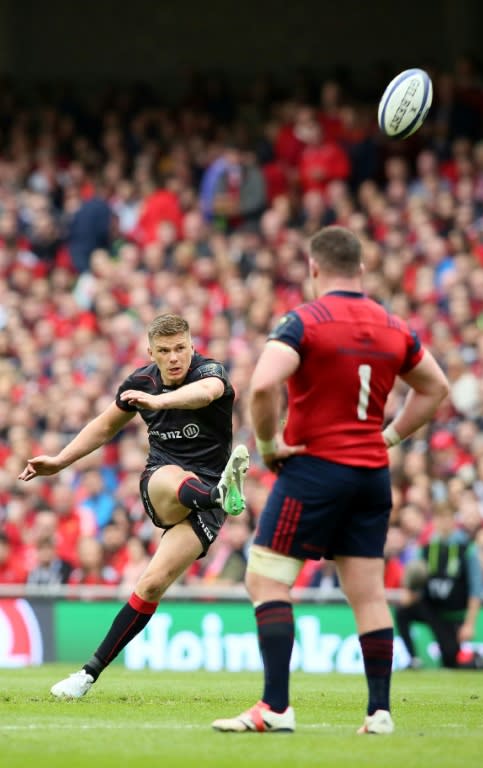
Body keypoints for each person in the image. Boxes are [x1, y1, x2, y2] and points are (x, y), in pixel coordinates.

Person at [212, 225, 449, 735]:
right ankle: (379, 712)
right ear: (361, 270)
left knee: (266, 577)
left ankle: (275, 708)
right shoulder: (394, 325)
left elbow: (263, 384)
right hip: (371, 475)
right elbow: (435, 387)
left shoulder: (305, 321)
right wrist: (390, 437)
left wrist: (271, 446)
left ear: (314, 269)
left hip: (315, 469)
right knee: (367, 592)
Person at [18, 313, 249, 698]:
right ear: (151, 353)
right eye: (164, 351)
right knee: (170, 475)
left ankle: (86, 675)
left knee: (152, 583)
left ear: (192, 346)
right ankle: (219, 494)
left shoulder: (210, 371)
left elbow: (205, 393)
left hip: (208, 499)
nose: (175, 357)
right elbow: (105, 426)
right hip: (164, 485)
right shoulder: (140, 382)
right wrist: (59, 461)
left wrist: (159, 401)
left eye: (181, 348)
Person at [395, 501, 483, 670]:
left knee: (451, 659)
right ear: (434, 520)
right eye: (439, 518)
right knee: (402, 611)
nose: (443, 522)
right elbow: (414, 577)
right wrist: (410, 590)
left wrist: (469, 624)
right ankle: (413, 660)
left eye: (446, 517)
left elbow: (476, 589)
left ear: (453, 520)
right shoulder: (426, 547)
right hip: (432, 610)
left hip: (454, 615)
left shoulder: (467, 549)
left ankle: (476, 659)